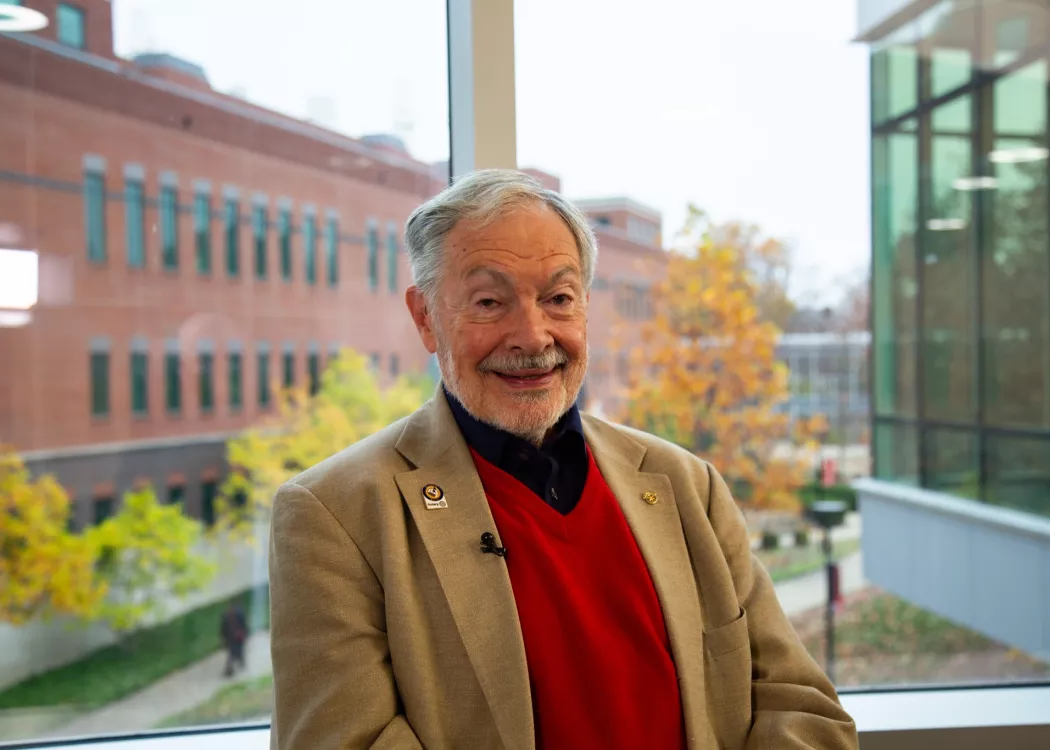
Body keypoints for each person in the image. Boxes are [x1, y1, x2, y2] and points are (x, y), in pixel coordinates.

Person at [269, 169, 859, 749]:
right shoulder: (335, 517)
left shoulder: (686, 486)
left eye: (558, 298)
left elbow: (800, 706)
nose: (532, 335)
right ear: (425, 317)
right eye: (489, 301)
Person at [220, 601, 248, 678]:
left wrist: (244, 634)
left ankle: (239, 663)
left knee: (239, 650)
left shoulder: (239, 614)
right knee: (232, 653)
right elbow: (223, 628)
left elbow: (244, 625)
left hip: (238, 637)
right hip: (231, 638)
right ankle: (230, 668)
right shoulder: (226, 616)